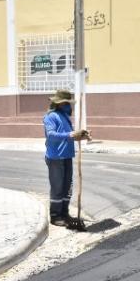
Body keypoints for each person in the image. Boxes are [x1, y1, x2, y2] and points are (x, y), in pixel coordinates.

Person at [43, 90, 91, 226]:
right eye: (67, 104)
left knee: (67, 187)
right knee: (57, 187)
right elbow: (51, 135)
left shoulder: (64, 116)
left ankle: (64, 214)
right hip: (55, 157)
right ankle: (55, 216)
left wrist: (82, 135)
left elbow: (69, 136)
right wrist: (71, 134)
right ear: (60, 104)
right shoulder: (50, 117)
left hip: (67, 156)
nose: (69, 107)